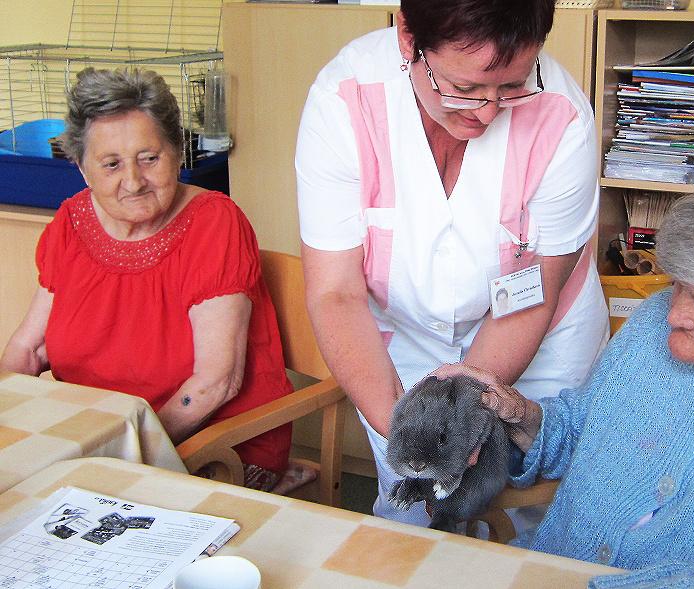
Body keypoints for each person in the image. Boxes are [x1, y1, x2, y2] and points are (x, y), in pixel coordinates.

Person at [296, 0, 609, 526]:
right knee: (415, 521)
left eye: (510, 87)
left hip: (541, 342)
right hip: (405, 345)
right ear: (406, 37)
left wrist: (467, 411)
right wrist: (413, 430)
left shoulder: (563, 118)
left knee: (542, 526)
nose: (486, 112)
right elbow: (336, 293)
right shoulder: (345, 102)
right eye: (464, 88)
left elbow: (532, 295)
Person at [436, 174, 694, 587]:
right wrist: (517, 414)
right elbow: (579, 429)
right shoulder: (651, 324)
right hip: (545, 569)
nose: (673, 314)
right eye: (677, 285)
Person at [0, 68, 297, 492]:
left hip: (207, 440)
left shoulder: (214, 223)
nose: (133, 181)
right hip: (96, 439)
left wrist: (120, 451)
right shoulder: (72, 220)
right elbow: (30, 349)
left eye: (149, 158)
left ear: (177, 153)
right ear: (83, 169)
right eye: (111, 164)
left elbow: (215, 384)